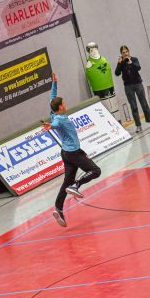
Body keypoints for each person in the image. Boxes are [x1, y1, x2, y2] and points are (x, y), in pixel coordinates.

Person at [44, 77, 102, 227]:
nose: (66, 104)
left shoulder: (54, 112)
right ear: (60, 107)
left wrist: (54, 83)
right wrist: (51, 126)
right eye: (64, 103)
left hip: (66, 153)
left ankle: (58, 208)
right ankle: (76, 185)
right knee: (96, 170)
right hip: (73, 153)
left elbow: (52, 97)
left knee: (67, 181)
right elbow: (56, 124)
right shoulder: (59, 119)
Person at [114, 45, 150, 133]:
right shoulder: (121, 62)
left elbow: (138, 68)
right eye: (123, 52)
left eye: (126, 51)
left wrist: (131, 63)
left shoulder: (134, 59)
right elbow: (117, 73)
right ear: (121, 54)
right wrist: (119, 63)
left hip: (138, 84)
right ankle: (138, 126)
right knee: (133, 106)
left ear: (129, 51)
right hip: (128, 86)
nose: (125, 53)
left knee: (144, 104)